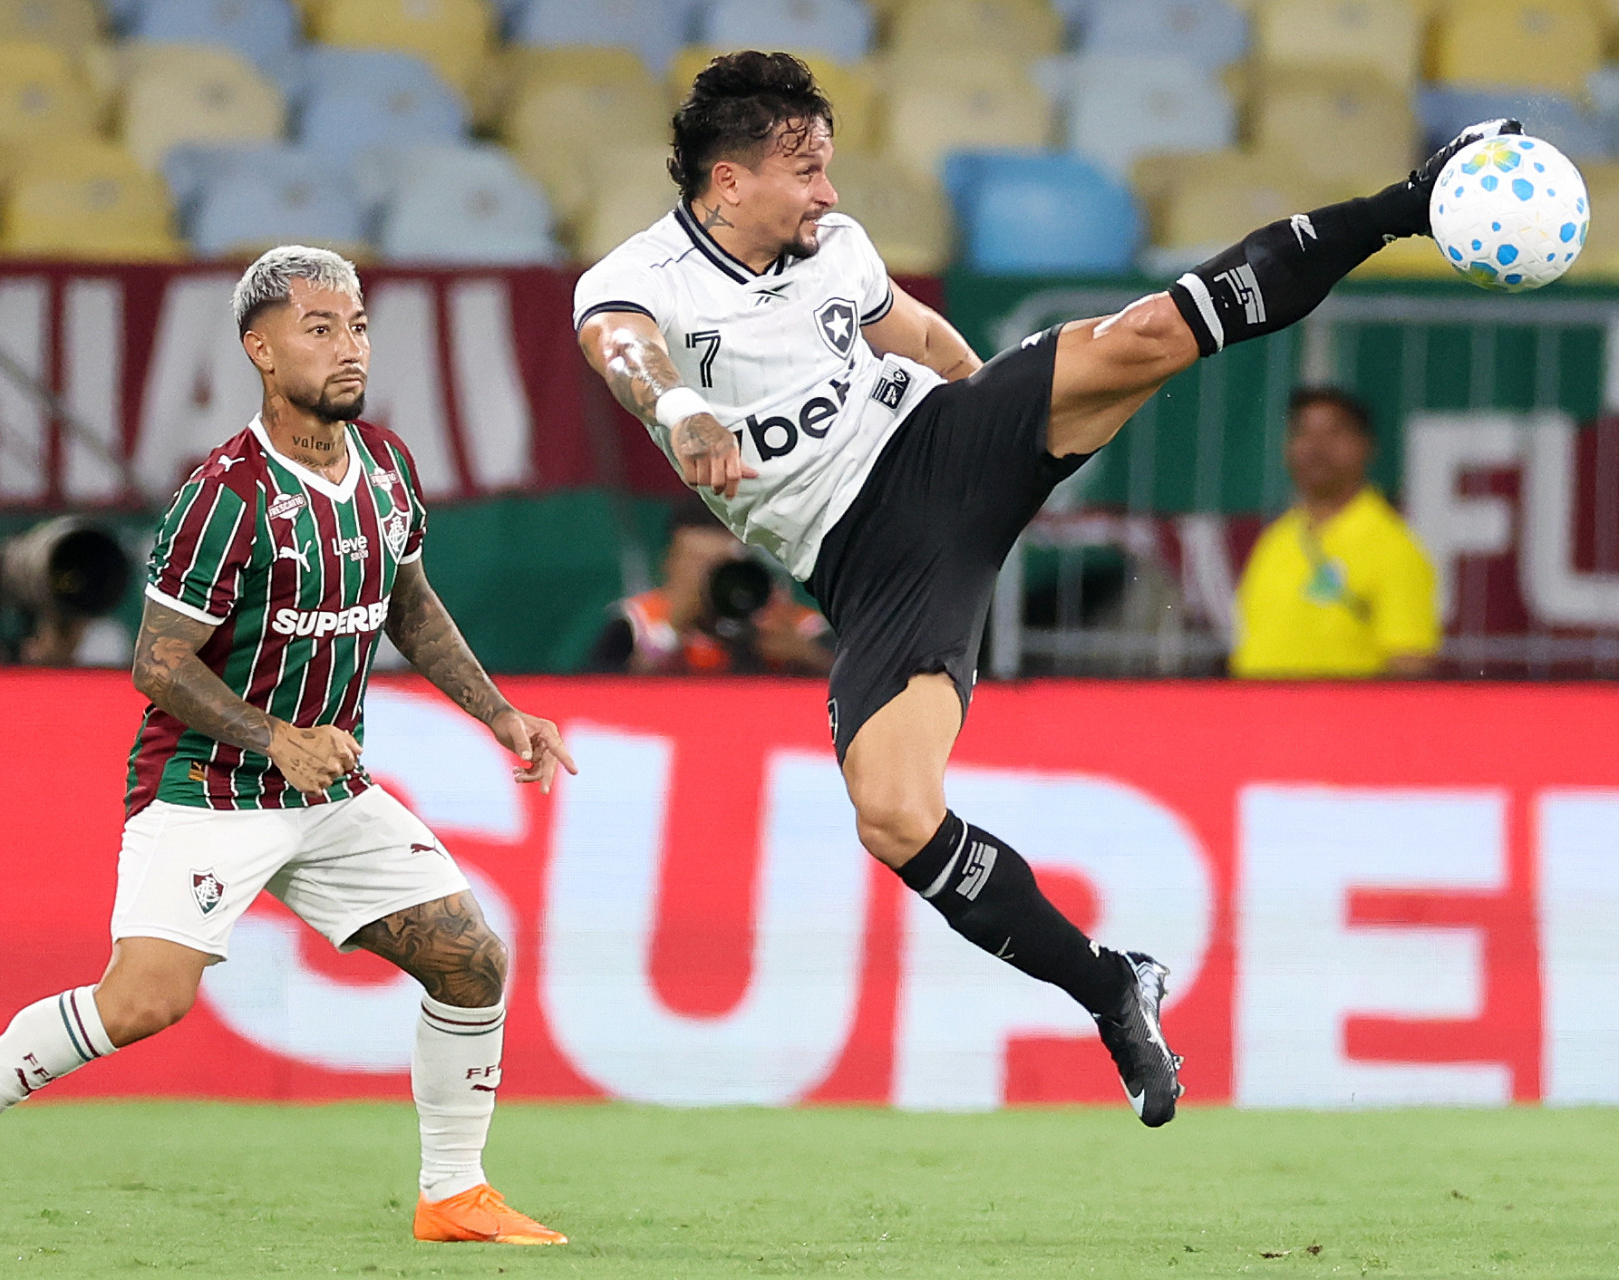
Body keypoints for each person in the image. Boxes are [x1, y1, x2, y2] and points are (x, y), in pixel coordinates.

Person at [576, 49, 1515, 1128]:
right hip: (868, 563)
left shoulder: (835, 246)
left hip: (940, 448)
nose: (829, 193)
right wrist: (680, 411)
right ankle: (1114, 987)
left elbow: (915, 336)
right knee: (892, 812)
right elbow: (623, 351)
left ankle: (1412, 201)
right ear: (728, 181)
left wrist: (1001, 418)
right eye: (806, 171)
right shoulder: (633, 281)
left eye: (829, 168)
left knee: (1159, 330)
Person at [0, 247, 577, 1247]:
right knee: (143, 1002)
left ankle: (453, 1192)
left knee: (470, 961)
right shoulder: (224, 493)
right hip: (208, 788)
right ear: (260, 347)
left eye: (359, 326)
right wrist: (276, 736)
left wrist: (500, 712)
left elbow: (409, 606)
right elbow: (159, 664)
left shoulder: (386, 465)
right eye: (319, 328)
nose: (348, 347)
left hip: (328, 790)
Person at [1231, 387, 1440, 678]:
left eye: (1334, 433)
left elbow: (1410, 662)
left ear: (1366, 446)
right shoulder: (1277, 539)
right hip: (1257, 716)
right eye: (1302, 433)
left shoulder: (1393, 546)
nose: (1316, 447)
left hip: (1338, 721)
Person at [585, 496, 833, 674]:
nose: (708, 577)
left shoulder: (787, 622)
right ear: (669, 563)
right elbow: (601, 700)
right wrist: (669, 632)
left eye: (721, 565)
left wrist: (805, 655)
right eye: (697, 563)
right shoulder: (638, 625)